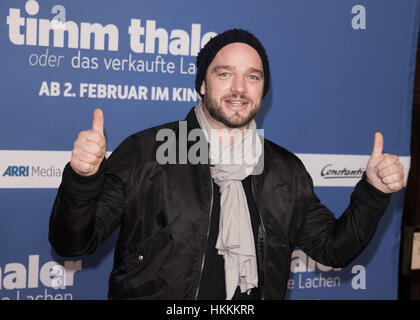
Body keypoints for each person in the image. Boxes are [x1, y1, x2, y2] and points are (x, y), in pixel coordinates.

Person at [49, 29, 405, 300]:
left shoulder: (284, 170)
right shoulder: (146, 151)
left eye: (252, 76)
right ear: (202, 84)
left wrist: (372, 193)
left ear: (263, 90)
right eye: (224, 74)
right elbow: (72, 243)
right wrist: (82, 179)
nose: (239, 88)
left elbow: (332, 249)